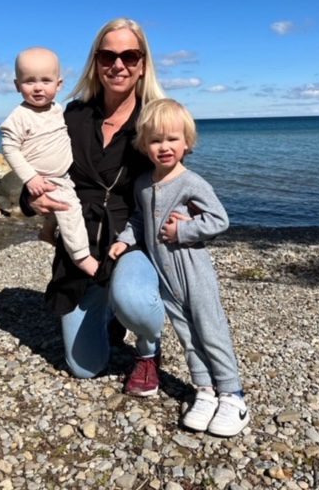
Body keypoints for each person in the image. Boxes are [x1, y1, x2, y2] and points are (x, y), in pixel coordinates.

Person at [19, 18, 166, 395]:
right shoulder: (71, 115)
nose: (118, 65)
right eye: (108, 55)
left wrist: (187, 213)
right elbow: (36, 165)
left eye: (129, 56)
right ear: (95, 62)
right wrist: (32, 199)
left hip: (131, 240)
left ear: (143, 63)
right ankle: (108, 310)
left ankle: (147, 351)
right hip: (80, 244)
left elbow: (175, 175)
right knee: (86, 368)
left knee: (134, 299)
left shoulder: (154, 118)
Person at [109, 98, 250, 436]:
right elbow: (140, 219)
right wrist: (126, 239)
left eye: (172, 139)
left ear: (187, 142)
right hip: (164, 276)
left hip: (193, 271)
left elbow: (219, 220)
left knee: (210, 330)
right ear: (144, 145)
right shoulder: (143, 183)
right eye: (156, 140)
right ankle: (204, 390)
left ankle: (232, 396)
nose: (164, 147)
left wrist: (182, 230)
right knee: (187, 335)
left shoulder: (192, 183)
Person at [0, 47, 98, 276]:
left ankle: (47, 232)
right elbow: (10, 148)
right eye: (29, 81)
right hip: (47, 179)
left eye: (46, 80)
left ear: (59, 84)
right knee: (70, 210)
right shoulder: (19, 116)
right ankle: (82, 256)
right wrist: (30, 178)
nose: (38, 87)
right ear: (17, 85)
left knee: (59, 211)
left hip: (64, 175)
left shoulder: (57, 109)